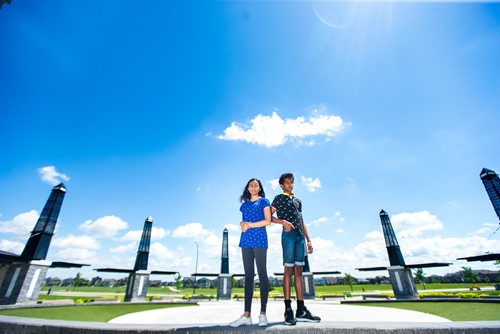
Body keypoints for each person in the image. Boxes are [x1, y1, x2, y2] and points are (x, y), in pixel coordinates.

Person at [271, 172, 321, 325]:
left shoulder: (298, 200)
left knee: (299, 271)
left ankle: (301, 310)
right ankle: (288, 310)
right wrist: (283, 222)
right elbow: (268, 217)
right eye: (287, 183)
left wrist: (309, 240)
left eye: (291, 182)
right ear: (281, 185)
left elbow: (302, 220)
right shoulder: (278, 199)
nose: (290, 185)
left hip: (300, 237)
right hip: (288, 236)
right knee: (288, 271)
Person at [230, 178, 272, 328]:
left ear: (259, 188)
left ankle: (263, 314)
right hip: (246, 241)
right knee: (248, 276)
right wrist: (242, 224)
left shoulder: (264, 201)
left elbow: (268, 221)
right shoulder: (244, 205)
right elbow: (243, 222)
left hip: (260, 240)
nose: (253, 187)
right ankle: (246, 315)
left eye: (256, 185)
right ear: (247, 188)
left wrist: (250, 225)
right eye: (251, 185)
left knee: (262, 275)